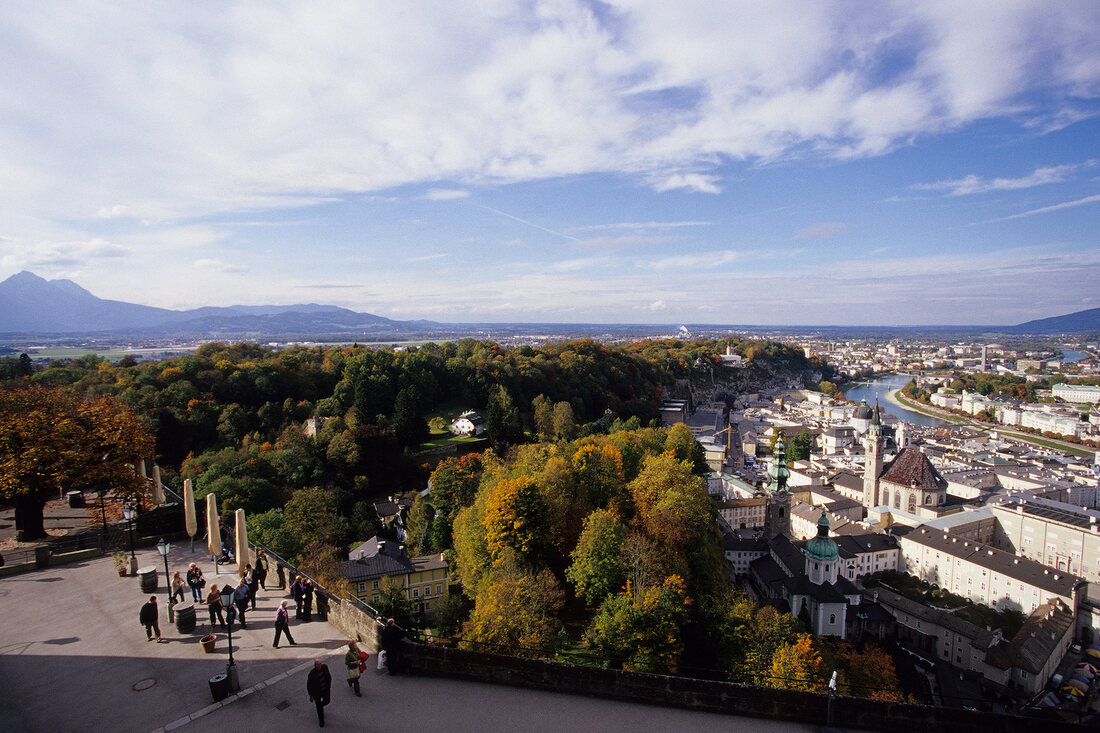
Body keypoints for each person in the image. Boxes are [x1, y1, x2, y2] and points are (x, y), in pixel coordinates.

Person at [306, 659, 331, 727]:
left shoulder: (325, 667)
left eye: (320, 664)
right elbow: (309, 685)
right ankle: (321, 720)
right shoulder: (312, 674)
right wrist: (311, 695)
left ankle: (320, 707)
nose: (319, 666)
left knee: (327, 701)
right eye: (318, 665)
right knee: (319, 706)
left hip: (325, 690)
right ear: (315, 666)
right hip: (317, 693)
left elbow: (328, 677)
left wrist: (329, 686)